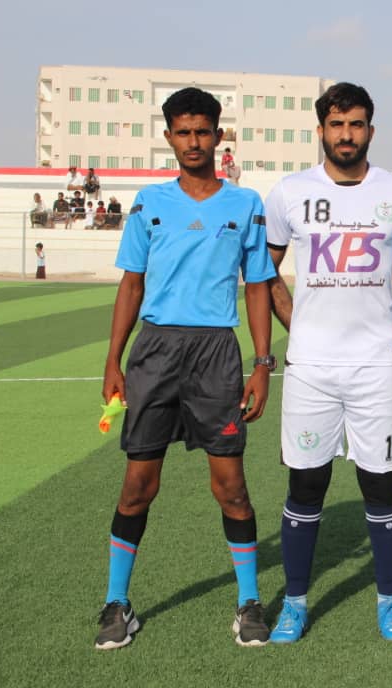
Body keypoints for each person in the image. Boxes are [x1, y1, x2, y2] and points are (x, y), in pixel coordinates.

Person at [94, 87, 276, 651]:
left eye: (202, 132)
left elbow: (258, 287)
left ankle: (249, 602)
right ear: (169, 136)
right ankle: (117, 603)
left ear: (218, 136)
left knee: (231, 486)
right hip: (155, 352)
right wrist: (113, 360)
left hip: (216, 354)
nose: (193, 142)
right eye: (183, 132)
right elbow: (132, 284)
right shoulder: (149, 202)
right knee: (137, 485)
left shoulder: (245, 204)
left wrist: (262, 363)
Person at [263, 82, 392, 644]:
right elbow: (263, 272)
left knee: (380, 484)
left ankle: (389, 603)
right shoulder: (289, 193)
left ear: (370, 131)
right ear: (321, 131)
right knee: (306, 484)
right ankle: (294, 603)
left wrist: (389, 324)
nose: (346, 134)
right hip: (310, 368)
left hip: (376, 368)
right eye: (336, 125)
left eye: (356, 124)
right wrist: (297, 327)